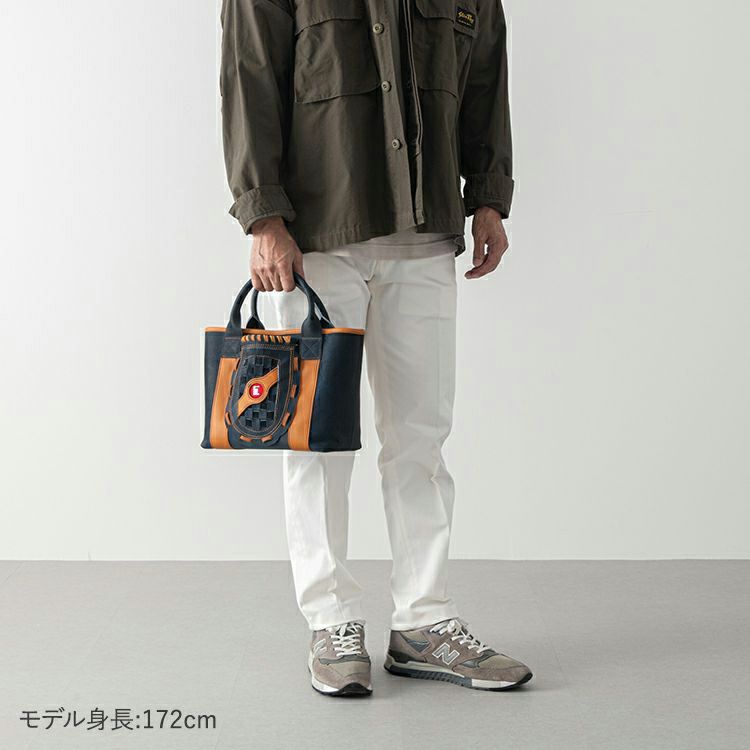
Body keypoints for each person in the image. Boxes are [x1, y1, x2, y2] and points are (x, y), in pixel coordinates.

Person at [219, 0, 532, 695]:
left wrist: (488, 197)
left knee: (422, 438)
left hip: (425, 237)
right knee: (316, 442)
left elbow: (485, 79)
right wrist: (263, 217)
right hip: (316, 240)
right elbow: (249, 79)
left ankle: (424, 619)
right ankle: (330, 619)